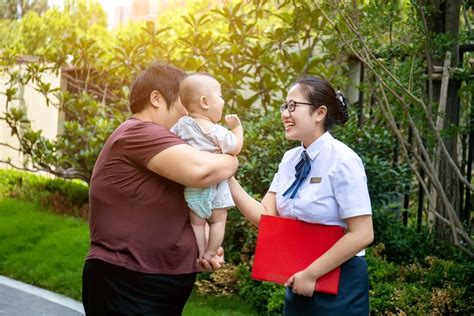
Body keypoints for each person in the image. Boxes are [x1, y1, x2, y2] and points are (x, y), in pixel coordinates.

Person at [82, 63, 238, 316]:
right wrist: (232, 158)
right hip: (130, 281)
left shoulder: (164, 142)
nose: (189, 113)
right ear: (156, 98)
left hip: (152, 280)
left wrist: (207, 246)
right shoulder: (139, 132)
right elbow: (203, 172)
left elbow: (184, 200)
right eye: (183, 104)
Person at [228, 76, 374, 315]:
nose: (285, 113)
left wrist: (311, 274)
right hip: (298, 278)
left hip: (339, 282)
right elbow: (266, 218)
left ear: (319, 113)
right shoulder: (290, 160)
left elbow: (363, 233)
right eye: (284, 106)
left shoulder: (343, 160)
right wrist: (227, 177)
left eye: (293, 106)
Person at [171, 73, 243, 263]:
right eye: (220, 96)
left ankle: (201, 252)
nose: (223, 100)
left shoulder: (180, 125)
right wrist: (237, 129)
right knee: (218, 221)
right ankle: (210, 254)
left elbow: (170, 141)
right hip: (215, 185)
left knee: (197, 223)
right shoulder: (216, 130)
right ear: (204, 102)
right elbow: (235, 148)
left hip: (193, 188)